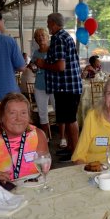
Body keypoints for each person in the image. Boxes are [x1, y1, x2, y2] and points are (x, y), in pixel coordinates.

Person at [35, 13, 82, 162]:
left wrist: (43, 64)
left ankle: (75, 152)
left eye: (49, 23)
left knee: (70, 119)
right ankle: (69, 148)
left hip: (66, 86)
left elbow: (60, 66)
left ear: (54, 23)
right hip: (65, 86)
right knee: (67, 119)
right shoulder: (63, 37)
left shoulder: (59, 39)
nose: (48, 26)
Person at [29, 28, 56, 141]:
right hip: (39, 86)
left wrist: (43, 65)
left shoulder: (53, 51)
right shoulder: (35, 53)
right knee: (42, 113)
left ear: (47, 37)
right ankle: (45, 137)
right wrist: (33, 67)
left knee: (59, 111)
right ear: (35, 39)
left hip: (53, 85)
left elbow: (58, 67)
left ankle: (63, 137)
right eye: (38, 36)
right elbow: (33, 67)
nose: (40, 38)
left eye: (42, 35)